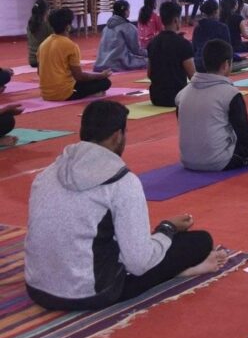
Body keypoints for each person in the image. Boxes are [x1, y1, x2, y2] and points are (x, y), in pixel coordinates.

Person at [24, 100, 228, 310]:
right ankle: (179, 271)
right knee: (200, 242)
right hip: (90, 293)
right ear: (117, 136)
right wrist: (167, 229)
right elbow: (138, 262)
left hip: (38, 288)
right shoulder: (121, 181)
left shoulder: (47, 173)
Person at [177, 40, 248, 171]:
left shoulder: (183, 93)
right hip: (217, 161)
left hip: (187, 159)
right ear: (226, 65)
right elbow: (245, 136)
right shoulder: (230, 93)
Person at [38, 7, 112, 101]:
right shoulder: (70, 46)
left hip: (45, 94)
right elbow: (79, 76)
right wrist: (101, 75)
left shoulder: (43, 44)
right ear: (68, 26)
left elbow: (39, 72)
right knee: (105, 82)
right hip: (65, 92)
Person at [147, 2, 195, 108]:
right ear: (176, 20)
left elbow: (149, 74)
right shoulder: (183, 43)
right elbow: (193, 76)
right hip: (178, 97)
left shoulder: (152, 42)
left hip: (156, 97)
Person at [192, 0, 248, 73]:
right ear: (215, 11)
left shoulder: (198, 27)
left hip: (198, 64)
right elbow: (228, 49)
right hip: (215, 65)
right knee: (246, 62)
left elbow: (194, 48)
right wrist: (238, 58)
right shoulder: (222, 27)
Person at [95, 0, 148, 72]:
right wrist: (150, 53)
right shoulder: (129, 27)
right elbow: (136, 50)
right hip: (117, 64)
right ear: (126, 11)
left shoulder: (106, 27)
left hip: (99, 64)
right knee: (149, 61)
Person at [27, 0, 53, 69]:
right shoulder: (46, 25)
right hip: (43, 57)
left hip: (32, 58)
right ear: (46, 11)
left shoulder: (30, 23)